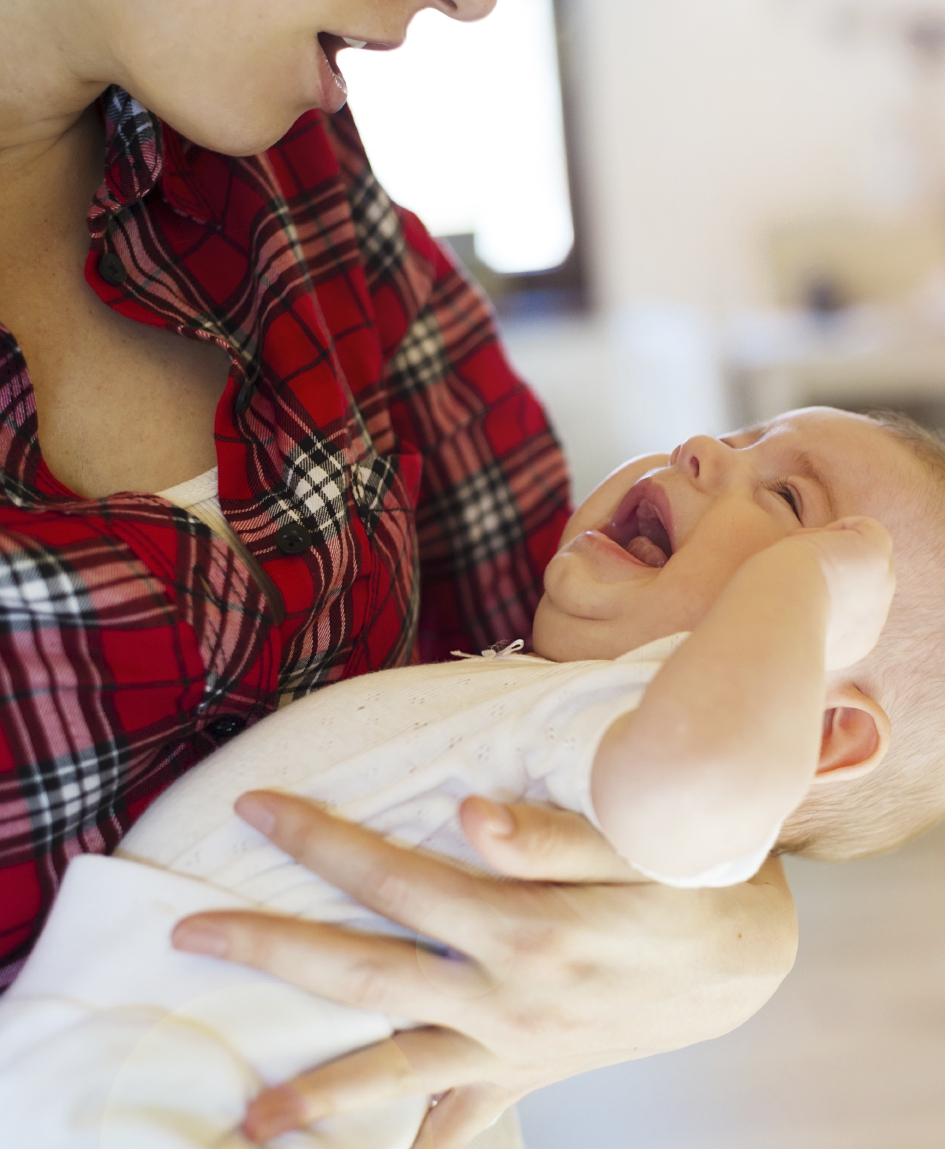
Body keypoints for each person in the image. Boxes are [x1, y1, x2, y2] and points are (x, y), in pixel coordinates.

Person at [0, 3, 796, 1144]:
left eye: (792, 493)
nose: (476, 4)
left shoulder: (302, 194)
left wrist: (742, 933)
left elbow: (586, 659)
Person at [0, 407, 945, 1146]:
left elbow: (697, 787)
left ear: (819, 737)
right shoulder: (552, 706)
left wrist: (800, 584)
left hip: (184, 1089)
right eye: (742, 432)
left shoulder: (630, 726)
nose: (703, 447)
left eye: (789, 496)